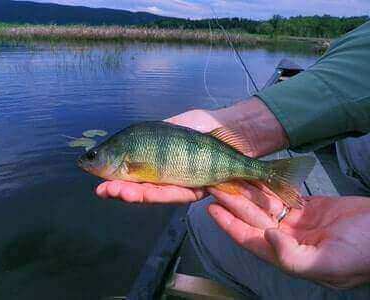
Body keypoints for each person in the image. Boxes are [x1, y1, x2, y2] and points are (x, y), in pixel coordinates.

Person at [96, 21, 370, 299]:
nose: (92, 160)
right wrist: (250, 123)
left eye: (95, 156)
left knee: (205, 219)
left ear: (116, 156)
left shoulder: (127, 154)